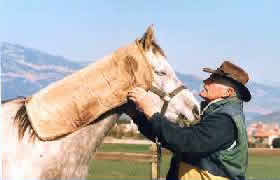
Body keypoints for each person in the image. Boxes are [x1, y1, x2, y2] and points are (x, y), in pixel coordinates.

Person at [126, 61, 251, 180]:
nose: (205, 81)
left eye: (213, 80)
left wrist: (150, 109)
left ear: (228, 92)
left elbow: (186, 142)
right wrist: (138, 116)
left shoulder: (224, 120)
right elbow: (171, 138)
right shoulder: (214, 114)